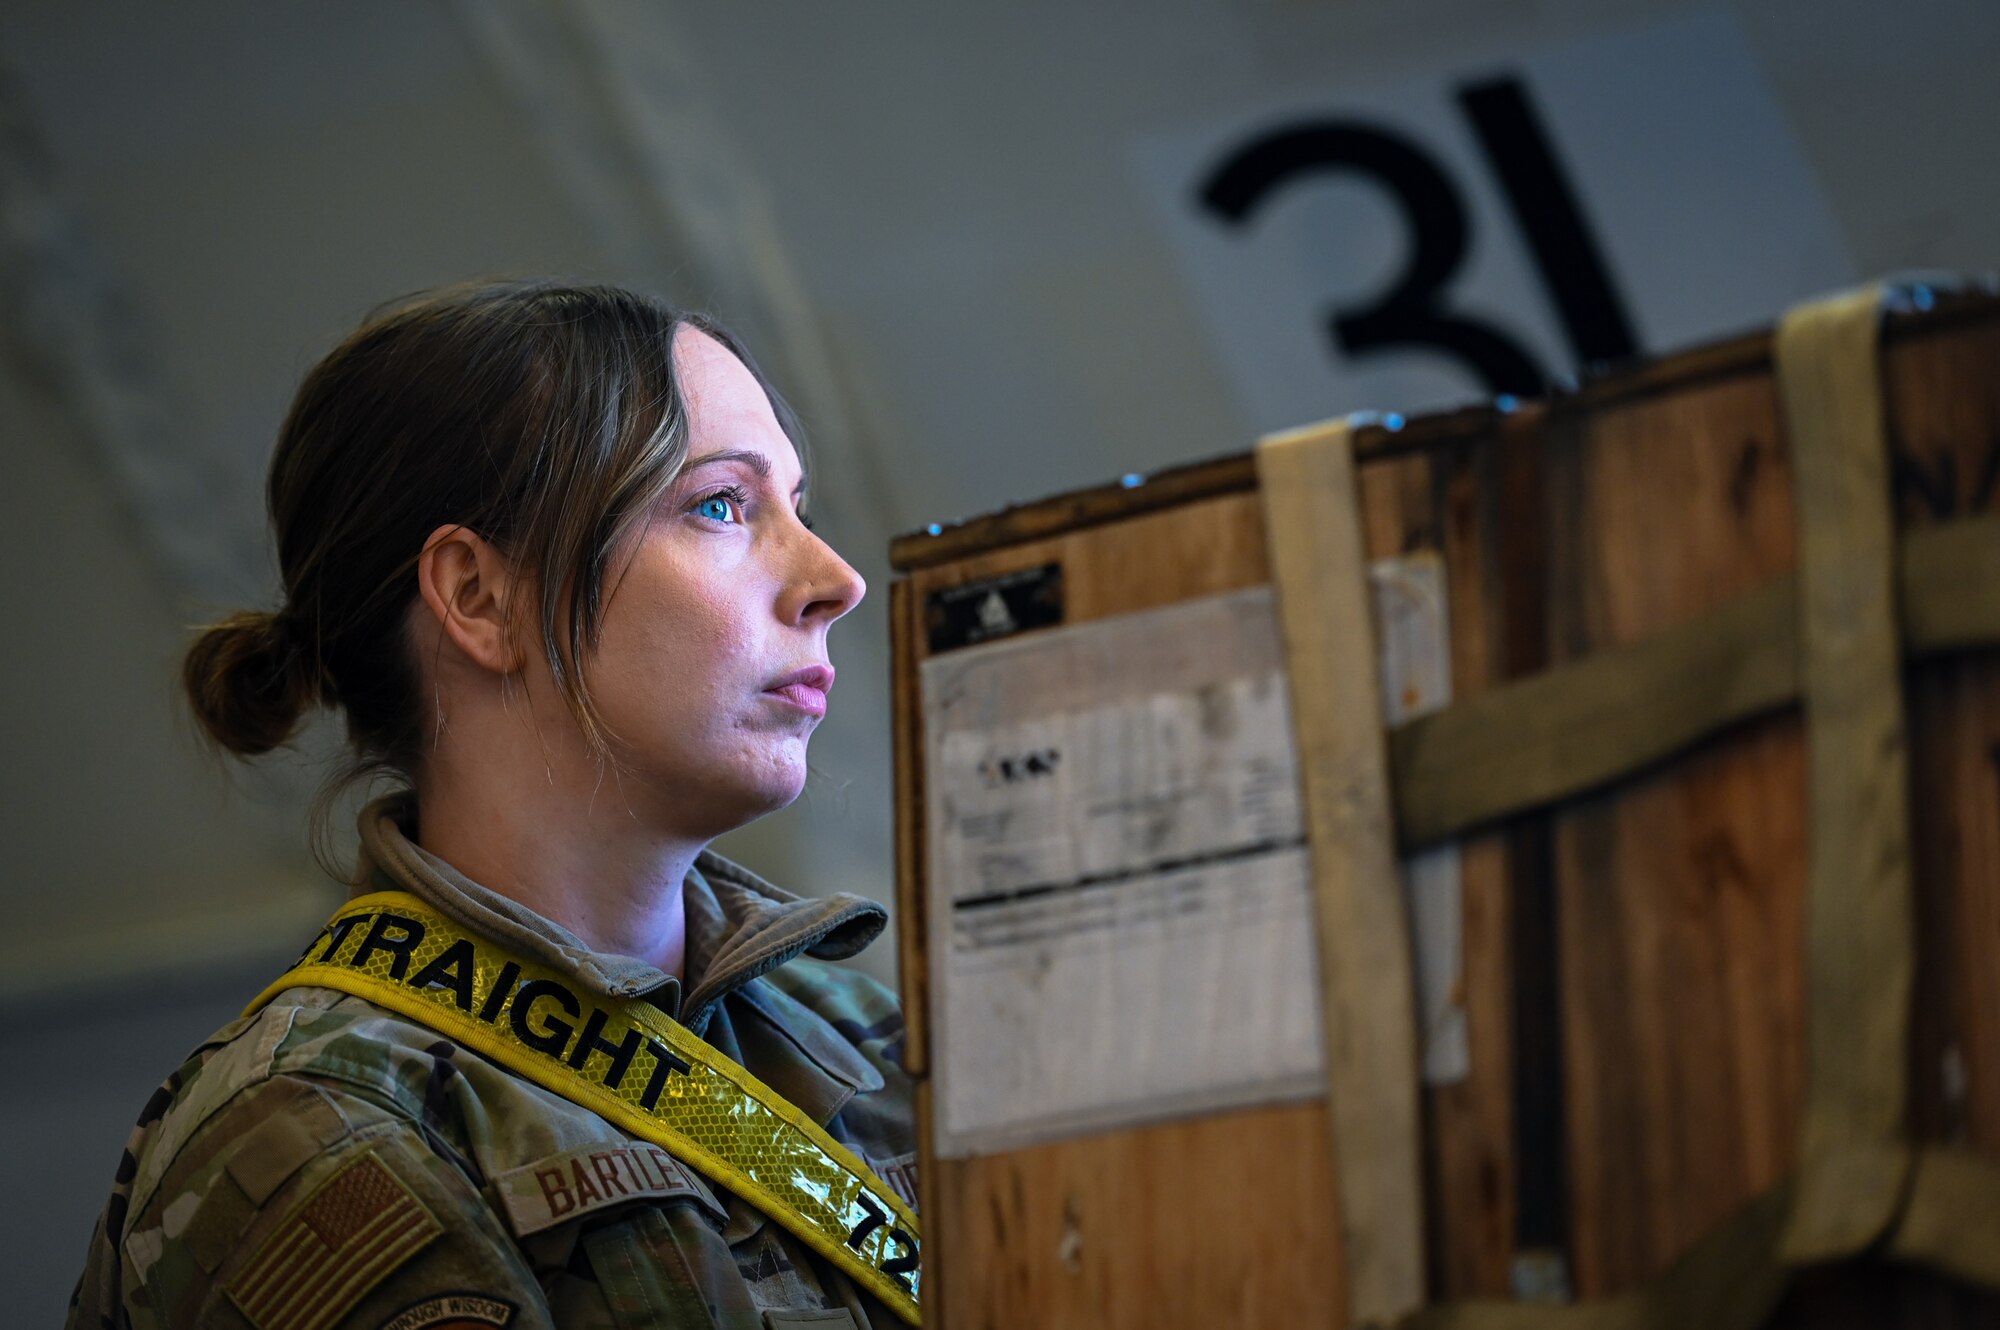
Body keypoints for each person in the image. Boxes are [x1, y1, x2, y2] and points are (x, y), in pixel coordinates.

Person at [66, 280, 919, 1330]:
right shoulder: (322, 1131)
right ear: (479, 597)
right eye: (719, 505)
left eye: (802, 509)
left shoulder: (851, 1030)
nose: (833, 578)